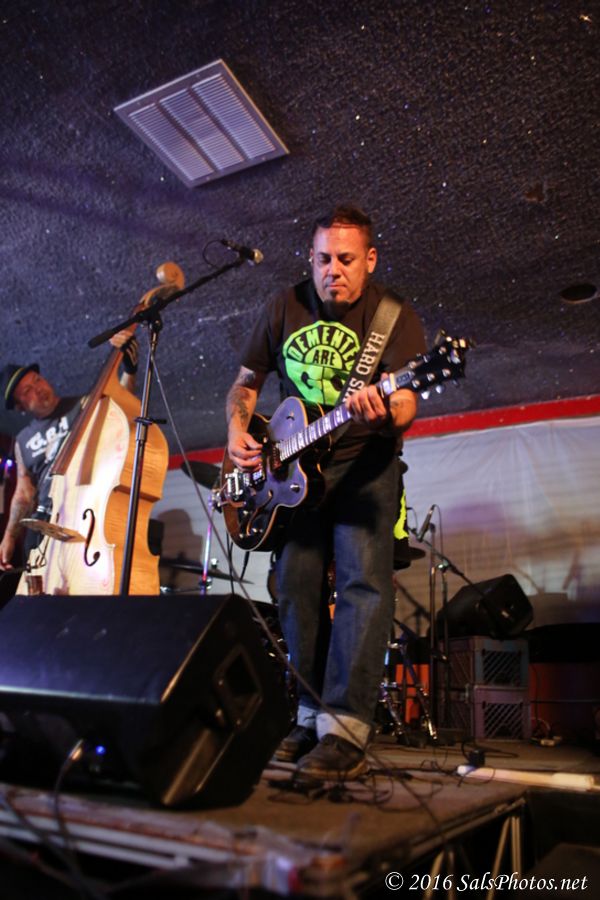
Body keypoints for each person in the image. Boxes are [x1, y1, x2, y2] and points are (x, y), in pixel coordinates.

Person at [225, 205, 427, 779]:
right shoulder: (283, 306)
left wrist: (385, 411)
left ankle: (346, 729)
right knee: (295, 585)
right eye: (321, 259)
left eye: (344, 259)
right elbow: (246, 382)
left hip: (366, 466)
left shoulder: (393, 315)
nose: (331, 270)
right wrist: (237, 428)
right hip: (295, 473)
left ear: (370, 259)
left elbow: (407, 400)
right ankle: (310, 715)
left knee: (363, 585)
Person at [0, 332, 138, 572]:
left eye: (37, 380)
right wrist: (9, 536)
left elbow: (121, 409)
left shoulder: (83, 405)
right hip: (44, 524)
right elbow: (24, 493)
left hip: (81, 514)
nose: (37, 389)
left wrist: (129, 370)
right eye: (27, 391)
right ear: (20, 406)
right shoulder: (23, 440)